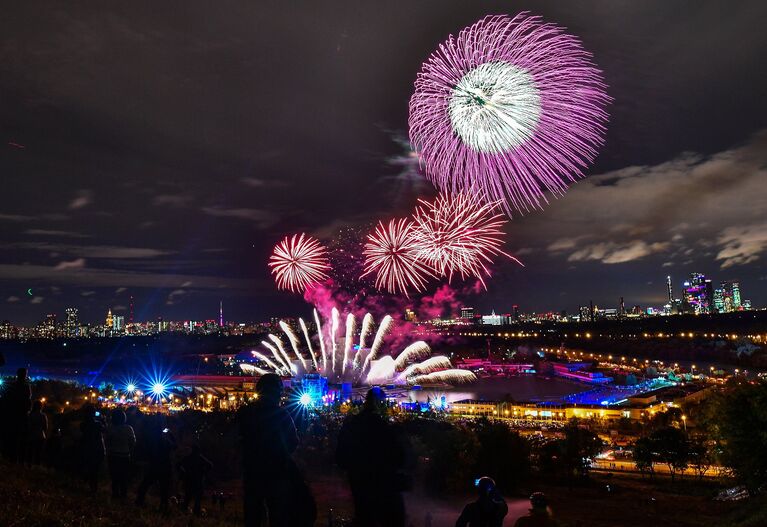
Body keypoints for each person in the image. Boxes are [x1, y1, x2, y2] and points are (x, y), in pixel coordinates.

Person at [237, 373, 309, 527]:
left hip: (252, 470)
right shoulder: (282, 414)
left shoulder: (245, 413)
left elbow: (235, 439)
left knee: (252, 514)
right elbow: (293, 441)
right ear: (277, 392)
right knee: (277, 514)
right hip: (276, 471)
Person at [336, 388, 412, 527]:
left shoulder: (353, 424)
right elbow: (399, 455)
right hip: (382, 483)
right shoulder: (383, 427)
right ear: (379, 403)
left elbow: (340, 456)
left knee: (364, 517)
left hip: (358, 481)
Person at [135, 414, 176, 511]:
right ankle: (163, 506)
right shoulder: (164, 440)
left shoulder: (152, 438)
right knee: (164, 488)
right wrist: (170, 435)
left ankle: (140, 502)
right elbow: (174, 446)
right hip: (164, 465)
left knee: (145, 485)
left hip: (155, 465)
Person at [1, 367, 32, 462]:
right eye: (25, 374)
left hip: (11, 414)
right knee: (20, 438)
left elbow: (6, 399)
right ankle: (16, 459)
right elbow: (28, 400)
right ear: (24, 375)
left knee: (11, 436)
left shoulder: (12, 385)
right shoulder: (26, 387)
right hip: (21, 415)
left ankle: (9, 456)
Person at [106, 409, 136, 499]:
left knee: (114, 477)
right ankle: (123, 496)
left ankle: (115, 495)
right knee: (124, 478)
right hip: (125, 456)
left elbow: (107, 441)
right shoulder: (128, 428)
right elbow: (133, 442)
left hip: (113, 455)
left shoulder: (110, 428)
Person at [178, 444, 213, 516]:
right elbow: (210, 465)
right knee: (197, 499)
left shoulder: (187, 458)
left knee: (188, 497)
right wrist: (203, 472)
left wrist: (183, 473)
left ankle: (184, 512)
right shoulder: (200, 458)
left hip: (189, 481)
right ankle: (195, 513)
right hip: (197, 481)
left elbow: (177, 465)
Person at [80, 405, 107, 494]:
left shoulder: (83, 424)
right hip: (97, 448)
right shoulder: (98, 424)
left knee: (88, 467)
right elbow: (105, 430)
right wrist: (103, 420)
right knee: (95, 470)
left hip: (87, 447)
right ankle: (93, 488)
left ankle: (86, 483)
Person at [26, 399, 48, 465]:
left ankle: (28, 467)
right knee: (38, 454)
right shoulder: (43, 416)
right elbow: (45, 428)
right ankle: (36, 467)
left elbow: (28, 426)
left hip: (31, 436)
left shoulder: (30, 415)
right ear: (41, 406)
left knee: (30, 453)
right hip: (40, 436)